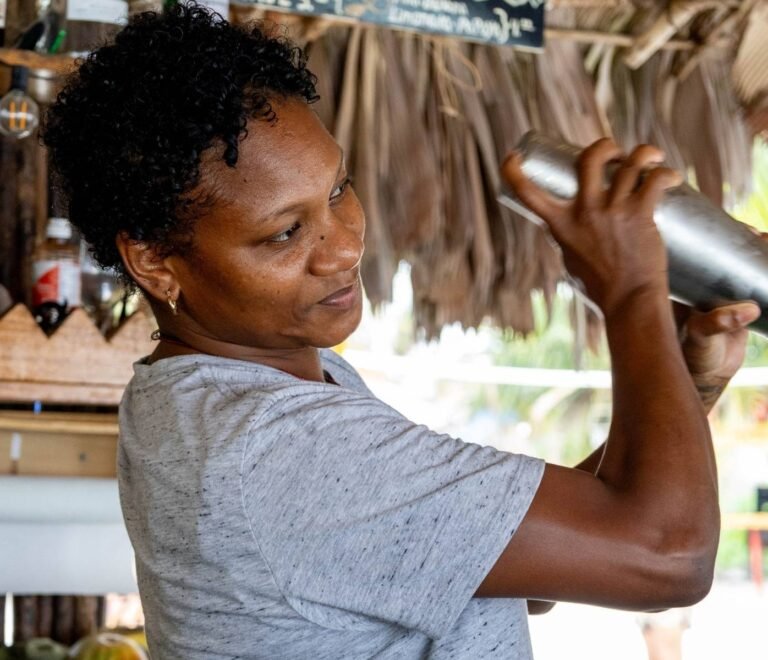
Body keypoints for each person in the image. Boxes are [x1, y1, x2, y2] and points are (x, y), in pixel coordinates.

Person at [41, 3, 760, 659]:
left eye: (337, 190)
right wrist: (634, 290)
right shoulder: (268, 448)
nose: (344, 246)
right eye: (286, 232)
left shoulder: (238, 390)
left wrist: (688, 376)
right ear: (154, 263)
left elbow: (517, 559)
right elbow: (668, 558)